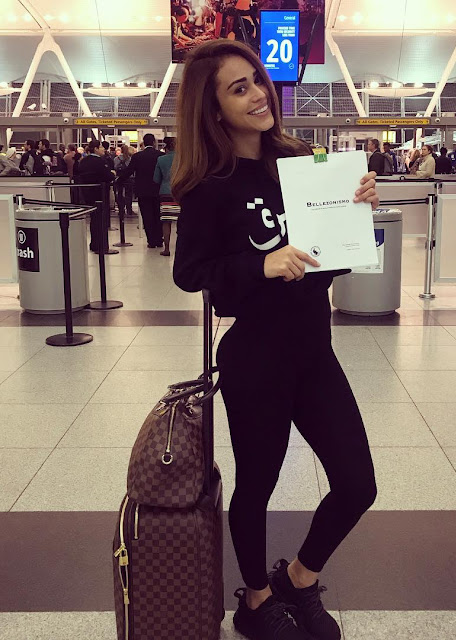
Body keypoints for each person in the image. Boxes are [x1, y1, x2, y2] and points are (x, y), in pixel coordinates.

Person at [172, 39, 378, 640]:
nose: (258, 94)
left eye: (258, 80)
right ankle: (256, 600)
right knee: (257, 486)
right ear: (212, 109)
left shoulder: (299, 162)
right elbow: (190, 273)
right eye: (239, 89)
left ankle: (299, 579)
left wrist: (355, 213)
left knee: (357, 484)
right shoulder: (208, 186)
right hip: (255, 358)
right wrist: (259, 265)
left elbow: (332, 259)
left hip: (314, 352)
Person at [118, 133, 164, 248]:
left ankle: (151, 241)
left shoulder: (137, 156)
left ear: (143, 142)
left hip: (142, 190)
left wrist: (118, 180)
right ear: (154, 142)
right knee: (158, 214)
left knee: (147, 215)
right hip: (158, 190)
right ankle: (159, 239)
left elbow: (129, 171)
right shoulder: (160, 155)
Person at [74, 139, 115, 252]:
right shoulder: (100, 161)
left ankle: (94, 243)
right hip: (100, 193)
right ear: (96, 149)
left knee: (93, 218)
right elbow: (108, 176)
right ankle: (101, 245)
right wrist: (112, 174)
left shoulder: (83, 161)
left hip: (87, 193)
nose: (103, 149)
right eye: (101, 147)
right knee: (101, 220)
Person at [153, 138, 177, 256]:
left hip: (166, 193)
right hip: (181, 192)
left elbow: (156, 179)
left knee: (166, 222)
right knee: (182, 221)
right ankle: (181, 248)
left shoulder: (161, 159)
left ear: (166, 148)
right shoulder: (184, 159)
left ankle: (167, 249)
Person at [114, 145, 136, 219]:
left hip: (119, 178)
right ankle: (129, 209)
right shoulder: (130, 159)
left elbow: (115, 167)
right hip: (129, 178)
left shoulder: (116, 158)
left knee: (120, 194)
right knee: (129, 194)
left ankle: (121, 209)